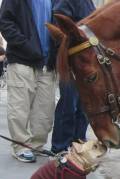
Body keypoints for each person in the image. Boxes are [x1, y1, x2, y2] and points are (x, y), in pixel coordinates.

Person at [0, 0, 56, 162]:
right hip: (22, 59)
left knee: (45, 110)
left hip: (47, 63)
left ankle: (36, 145)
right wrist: (26, 45)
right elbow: (5, 21)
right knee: (20, 107)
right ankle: (21, 146)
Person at [50, 0, 96, 154]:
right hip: (71, 60)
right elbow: (59, 24)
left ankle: (77, 144)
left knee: (83, 107)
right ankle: (60, 147)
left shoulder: (88, 3)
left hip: (85, 62)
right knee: (69, 104)